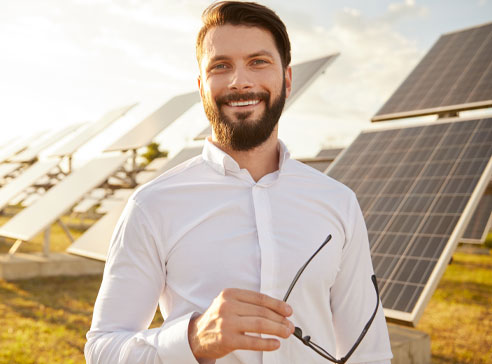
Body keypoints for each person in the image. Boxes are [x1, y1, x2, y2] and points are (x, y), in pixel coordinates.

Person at [85, 2, 393, 363]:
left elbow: (368, 352)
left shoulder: (338, 202)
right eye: (221, 66)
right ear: (202, 87)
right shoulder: (152, 206)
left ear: (287, 79)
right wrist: (193, 339)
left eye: (258, 62)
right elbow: (103, 349)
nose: (240, 81)